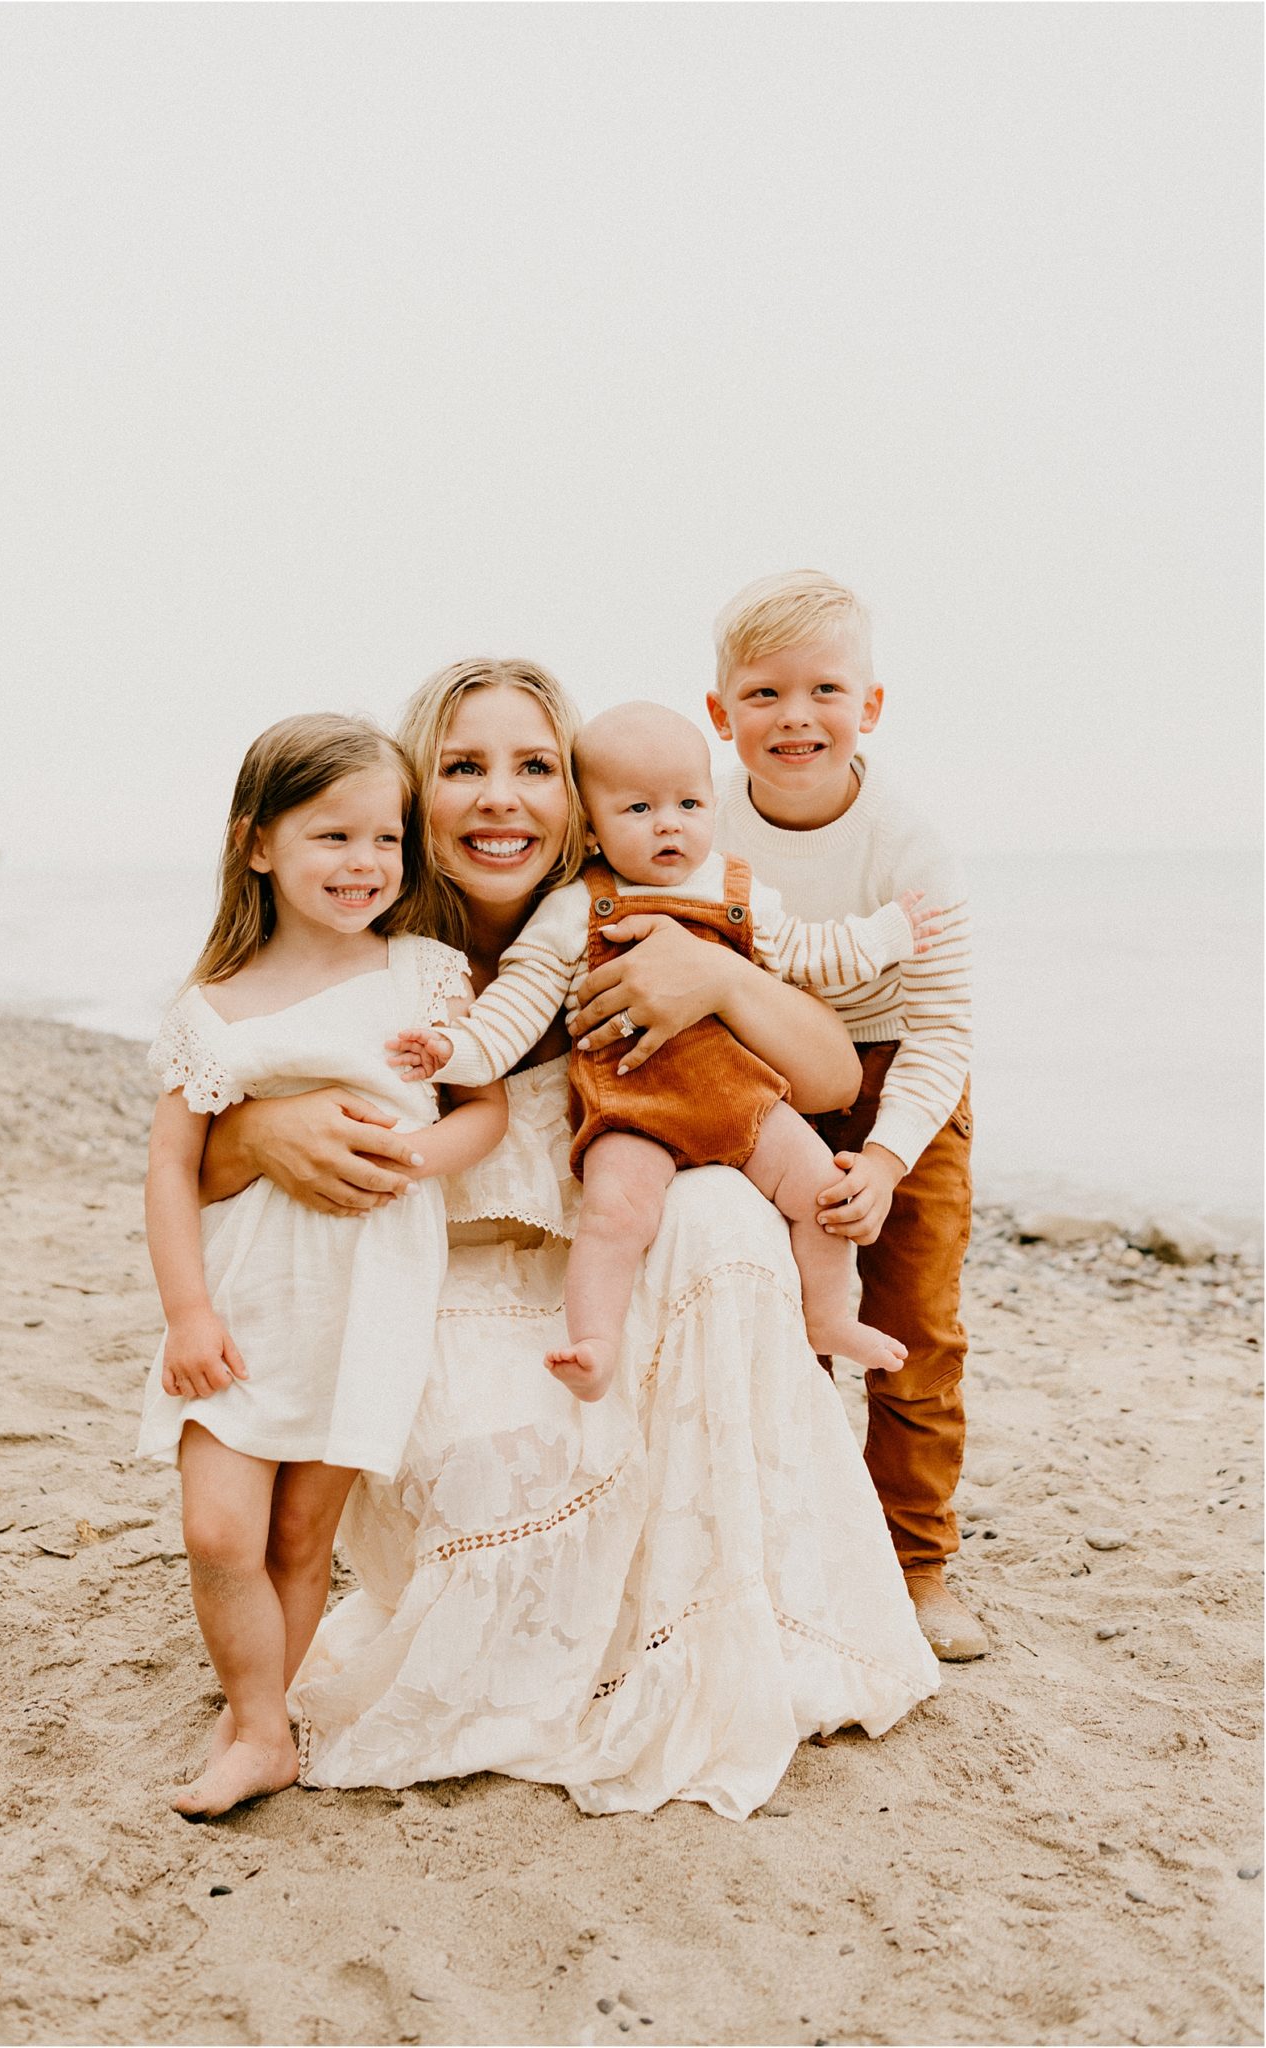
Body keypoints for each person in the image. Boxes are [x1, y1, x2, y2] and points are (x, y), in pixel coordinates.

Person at [200, 658, 940, 1820]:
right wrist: (263, 1125)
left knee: (725, 1213)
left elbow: (830, 1075)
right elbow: (200, 1120)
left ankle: (710, 1613)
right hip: (441, 1288)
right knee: (503, 1454)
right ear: (411, 792)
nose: (501, 796)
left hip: (604, 1282)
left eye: (534, 767)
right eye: (461, 767)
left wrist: (716, 980)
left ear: (579, 800)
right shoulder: (362, 931)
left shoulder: (657, 907)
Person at [572, 572, 982, 1662]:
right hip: (747, 1071)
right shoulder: (692, 820)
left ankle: (915, 1561)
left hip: (901, 1080)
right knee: (774, 1310)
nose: (794, 717)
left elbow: (945, 1029)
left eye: (824, 690)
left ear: (871, 706)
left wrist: (890, 1157)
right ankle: (796, 1548)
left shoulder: (909, 846)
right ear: (721, 714)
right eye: (762, 694)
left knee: (914, 1324)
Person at [139, 713, 506, 1818]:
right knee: (217, 1529)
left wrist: (415, 1156)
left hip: (369, 1298)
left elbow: (482, 1107)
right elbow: (171, 1168)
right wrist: (187, 1313)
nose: (364, 865)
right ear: (258, 844)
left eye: (385, 840)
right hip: (245, 1301)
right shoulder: (212, 1007)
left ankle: (259, 1723)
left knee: (303, 1534)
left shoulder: (424, 974)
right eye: (331, 837)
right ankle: (256, 1714)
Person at [389, 699, 938, 1399]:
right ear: (589, 828)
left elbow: (810, 952)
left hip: (742, 1099)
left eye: (688, 803)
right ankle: (596, 1340)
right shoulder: (571, 909)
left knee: (823, 1193)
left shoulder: (736, 889)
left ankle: (827, 1317)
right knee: (617, 1215)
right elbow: (512, 1013)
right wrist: (453, 1050)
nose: (670, 823)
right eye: (639, 810)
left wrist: (885, 936)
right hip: (634, 1107)